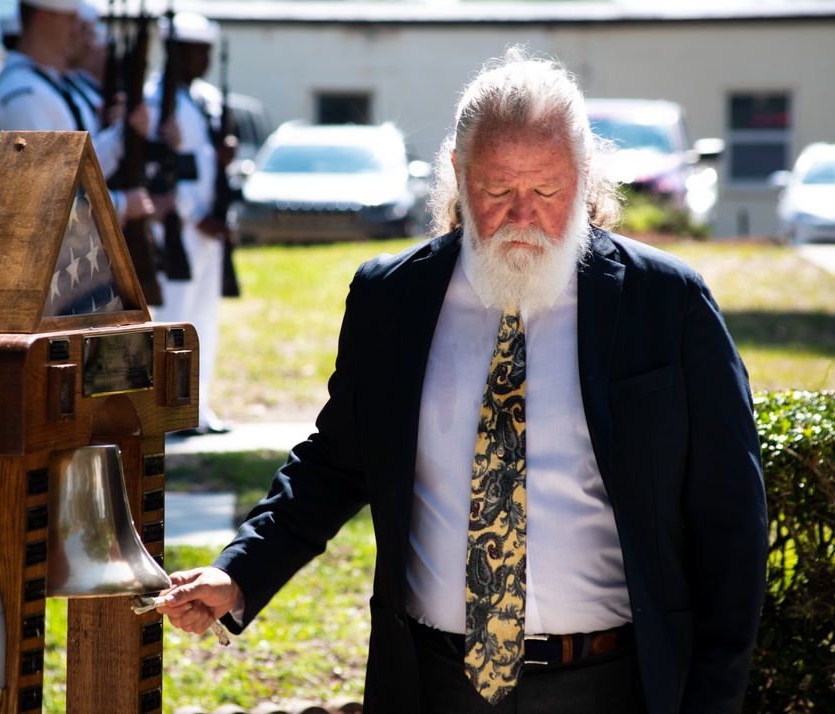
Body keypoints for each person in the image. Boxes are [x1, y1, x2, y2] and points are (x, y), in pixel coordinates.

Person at [155, 48, 768, 713]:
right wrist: (238, 571)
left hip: (611, 682)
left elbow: (731, 523)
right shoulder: (392, 297)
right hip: (432, 682)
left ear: (585, 175)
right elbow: (336, 463)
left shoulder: (666, 303)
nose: (521, 215)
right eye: (497, 190)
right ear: (456, 171)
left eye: (547, 191)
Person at [145, 12, 236, 435]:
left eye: (207, 51)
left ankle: (198, 408)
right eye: (194, 51)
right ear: (174, 52)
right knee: (175, 319)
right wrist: (195, 217)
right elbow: (158, 171)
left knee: (204, 319)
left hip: (208, 230)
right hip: (178, 229)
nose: (202, 60)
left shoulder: (207, 100)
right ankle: (170, 411)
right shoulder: (153, 101)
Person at [0, 0, 152, 222]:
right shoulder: (24, 93)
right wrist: (121, 203)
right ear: (43, 19)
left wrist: (124, 132)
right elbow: (49, 198)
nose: (75, 31)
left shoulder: (43, 84)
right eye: (71, 21)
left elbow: (78, 168)